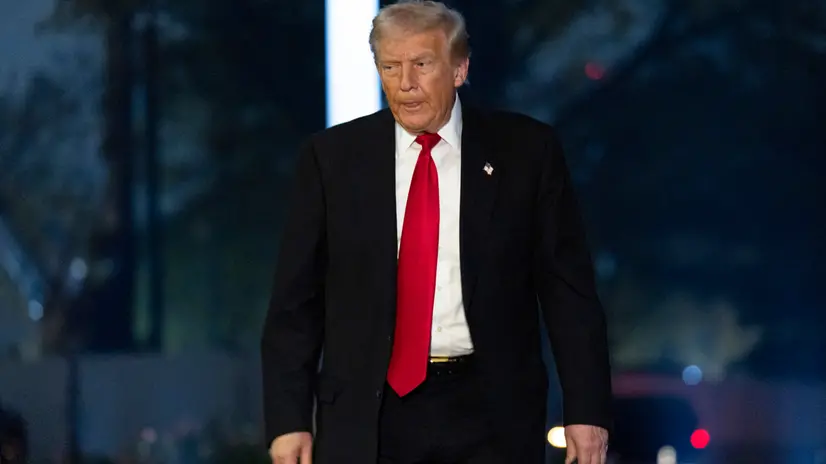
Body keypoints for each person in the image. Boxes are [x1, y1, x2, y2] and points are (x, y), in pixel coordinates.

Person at [261, 1, 612, 463]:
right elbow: (295, 304)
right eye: (390, 66)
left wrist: (586, 411)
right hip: (370, 415)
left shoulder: (526, 153)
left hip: (492, 413)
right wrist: (288, 421)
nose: (405, 83)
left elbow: (569, 292)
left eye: (422, 65)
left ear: (459, 68)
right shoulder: (332, 160)